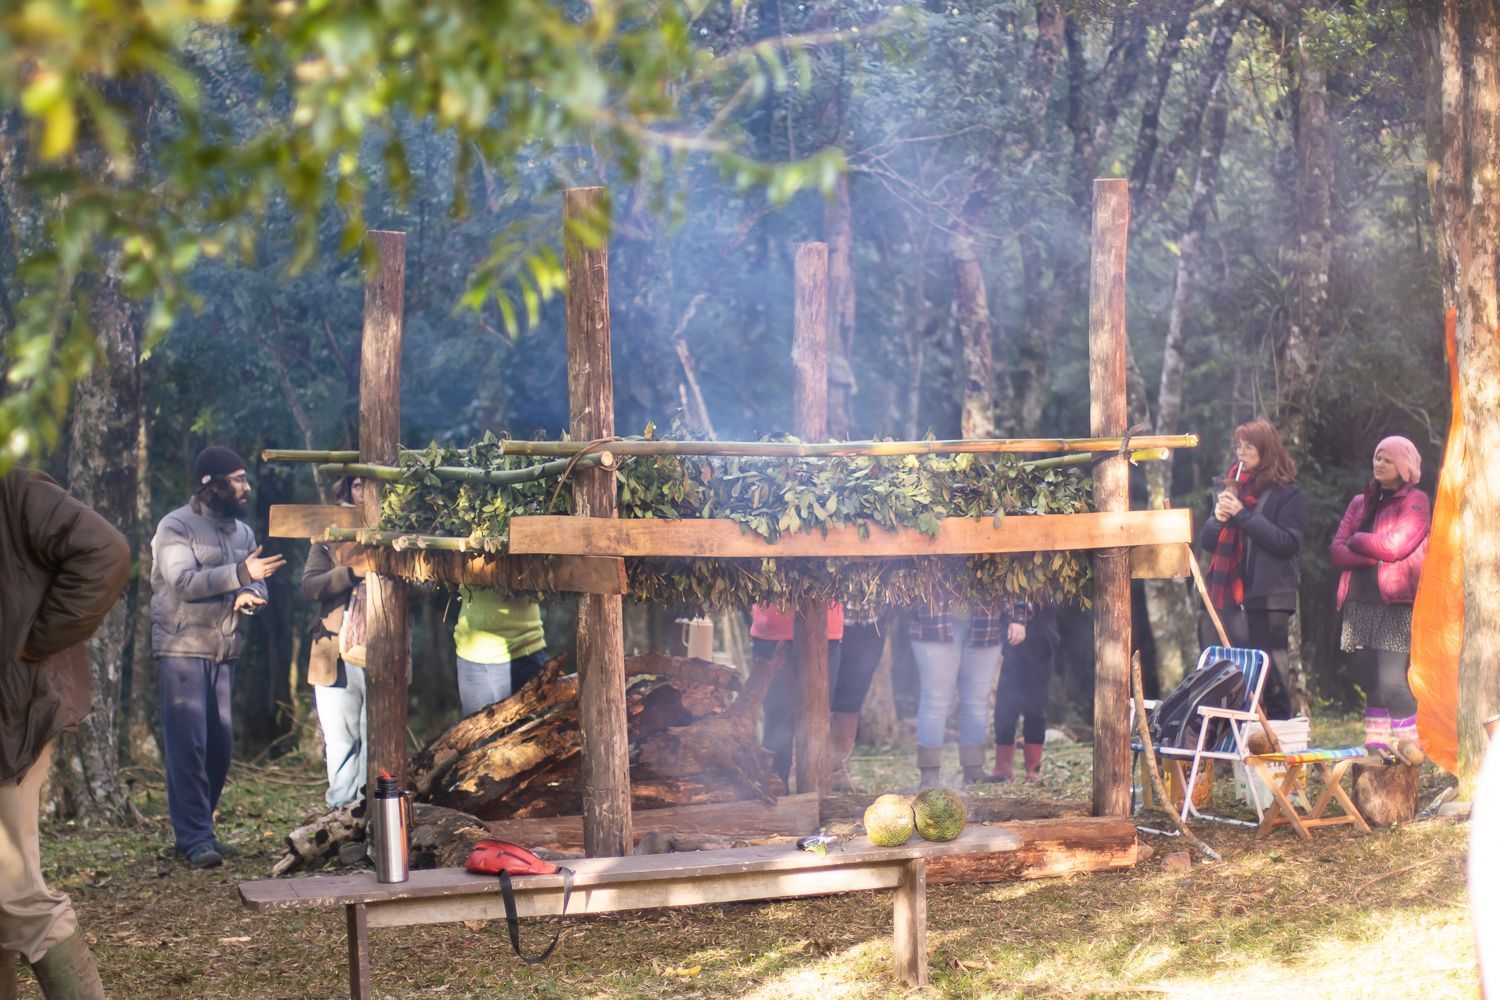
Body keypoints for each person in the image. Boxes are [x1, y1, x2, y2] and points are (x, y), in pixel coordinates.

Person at [1, 467, 130, 998]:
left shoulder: (14, 488)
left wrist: (37, 644)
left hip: (12, 716)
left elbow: (107, 552)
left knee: (16, 895)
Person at [150, 446, 285, 868]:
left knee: (220, 747)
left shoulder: (242, 533)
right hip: (182, 648)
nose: (247, 487)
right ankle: (194, 837)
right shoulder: (175, 526)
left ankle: (199, 829)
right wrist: (242, 575)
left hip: (224, 649)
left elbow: (256, 581)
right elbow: (183, 582)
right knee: (188, 746)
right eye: (238, 479)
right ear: (213, 485)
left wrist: (251, 593)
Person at [1196, 418, 1304, 719]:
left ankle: (1279, 739)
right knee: (1231, 675)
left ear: (1266, 450)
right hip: (1229, 597)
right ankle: (1236, 740)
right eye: (1239, 446)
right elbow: (1207, 542)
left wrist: (1243, 515)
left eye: (1249, 447)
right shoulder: (1230, 487)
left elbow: (1287, 542)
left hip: (1268, 596)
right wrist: (1217, 519)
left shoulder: (1286, 492)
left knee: (1272, 675)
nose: (1241, 453)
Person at [1330, 435, 1430, 750]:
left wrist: (1358, 540)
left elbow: (1397, 546)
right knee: (1371, 681)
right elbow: (1337, 551)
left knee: (1392, 681)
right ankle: (1377, 750)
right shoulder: (1360, 502)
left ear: (1404, 465)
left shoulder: (1415, 501)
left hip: (1395, 604)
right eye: (1377, 457)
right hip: (1359, 602)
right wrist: (1376, 555)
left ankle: (1409, 749)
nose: (1379, 463)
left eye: (1387, 459)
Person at [301, 476, 371, 807]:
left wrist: (388, 565)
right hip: (335, 651)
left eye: (371, 486)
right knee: (341, 741)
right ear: (347, 490)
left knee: (377, 742)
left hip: (384, 651)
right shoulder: (330, 532)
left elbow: (424, 587)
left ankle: (374, 816)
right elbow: (310, 585)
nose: (364, 493)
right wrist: (352, 573)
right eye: (358, 485)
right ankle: (341, 817)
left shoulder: (401, 529)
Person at [910, 595, 1029, 787]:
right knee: (934, 701)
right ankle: (929, 775)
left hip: (987, 625)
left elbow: (1018, 580)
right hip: (934, 623)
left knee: (977, 701)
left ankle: (973, 770)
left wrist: (1018, 617)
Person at [751, 601, 844, 790]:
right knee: (777, 722)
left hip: (826, 632)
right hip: (773, 632)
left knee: (817, 719)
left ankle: (817, 794)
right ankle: (775, 791)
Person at [989, 605, 1060, 783]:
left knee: (1035, 708)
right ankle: (1003, 767)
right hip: (1011, 646)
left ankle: (1033, 768)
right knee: (1005, 708)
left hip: (1041, 642)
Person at [453, 588, 549, 716]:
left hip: (519, 650)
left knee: (524, 727)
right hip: (469, 656)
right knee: (474, 727)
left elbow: (542, 586)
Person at [829, 602, 884, 792]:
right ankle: (800, 769)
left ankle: (839, 772)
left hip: (870, 622)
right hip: (828, 622)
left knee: (851, 700)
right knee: (816, 697)